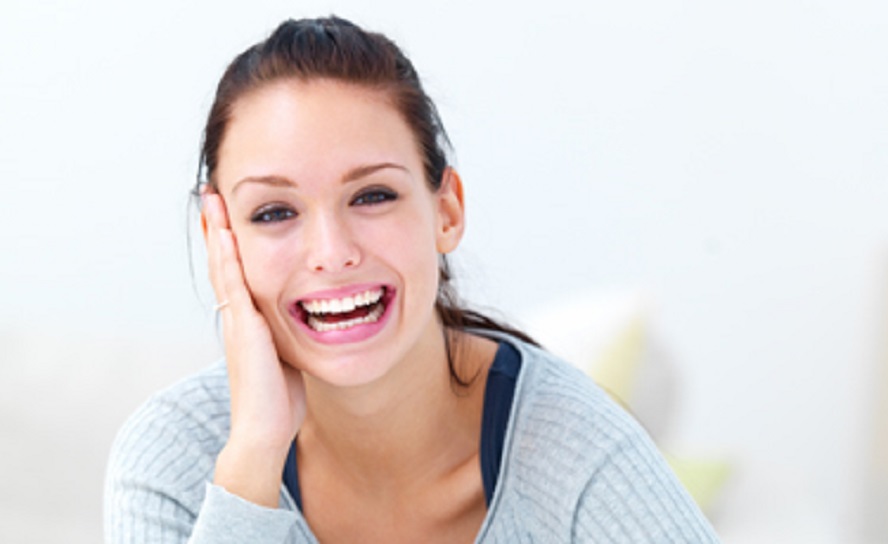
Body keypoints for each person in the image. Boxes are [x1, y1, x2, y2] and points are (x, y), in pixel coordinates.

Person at [104, 16, 719, 543]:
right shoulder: (173, 458)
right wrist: (253, 461)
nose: (332, 252)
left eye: (372, 195)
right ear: (222, 239)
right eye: (274, 212)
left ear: (447, 210)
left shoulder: (577, 453)